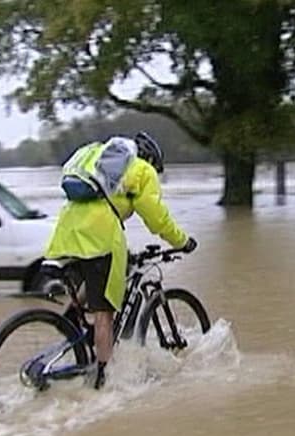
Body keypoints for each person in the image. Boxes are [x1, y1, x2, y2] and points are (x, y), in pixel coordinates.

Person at [44, 131, 197, 390]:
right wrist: (181, 241)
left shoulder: (97, 155)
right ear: (150, 159)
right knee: (105, 313)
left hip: (67, 232)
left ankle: (71, 315)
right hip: (99, 236)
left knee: (99, 276)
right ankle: (103, 382)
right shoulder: (141, 170)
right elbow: (156, 217)